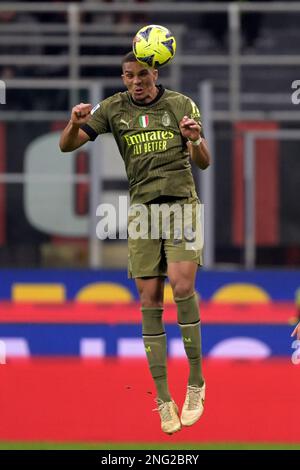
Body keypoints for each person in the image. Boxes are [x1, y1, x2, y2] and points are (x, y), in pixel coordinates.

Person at [59, 51, 211, 435]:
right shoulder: (113, 108)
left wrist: (194, 141)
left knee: (183, 285)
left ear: (155, 73)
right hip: (142, 212)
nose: (137, 81)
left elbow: (204, 160)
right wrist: (72, 123)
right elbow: (68, 145)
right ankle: (163, 399)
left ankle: (196, 383)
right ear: (124, 78)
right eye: (130, 75)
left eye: (143, 74)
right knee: (149, 301)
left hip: (181, 207)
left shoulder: (179, 104)